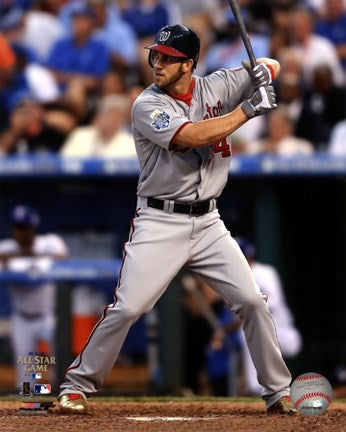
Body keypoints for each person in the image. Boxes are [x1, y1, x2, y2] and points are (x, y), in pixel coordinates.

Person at [58, 24, 296, 415]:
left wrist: (262, 73)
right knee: (129, 308)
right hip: (160, 220)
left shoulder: (215, 85)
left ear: (188, 64)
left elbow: (272, 64)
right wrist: (250, 109)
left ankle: (278, 392)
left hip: (209, 222)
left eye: (168, 58)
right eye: (156, 56)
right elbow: (192, 137)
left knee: (252, 300)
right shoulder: (145, 104)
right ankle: (77, 385)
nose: (157, 63)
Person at [0, 205, 68, 389]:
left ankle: (62, 396)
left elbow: (62, 256)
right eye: (18, 228)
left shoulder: (49, 242)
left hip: (49, 317)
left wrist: (20, 258)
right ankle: (30, 407)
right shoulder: (6, 246)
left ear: (33, 229)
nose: (21, 233)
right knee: (26, 376)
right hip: (22, 318)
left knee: (61, 363)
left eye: (25, 228)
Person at [234, 237, 302, 395]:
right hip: (266, 332)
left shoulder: (264, 272)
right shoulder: (235, 277)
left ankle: (263, 387)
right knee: (247, 332)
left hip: (283, 333)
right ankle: (256, 388)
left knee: (248, 332)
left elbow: (271, 302)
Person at [60, 95, 137, 159]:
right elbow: (65, 162)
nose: (110, 121)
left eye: (115, 118)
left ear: (121, 121)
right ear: (98, 117)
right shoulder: (80, 135)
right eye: (107, 116)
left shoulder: (130, 144)